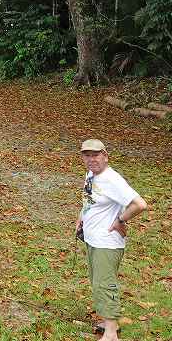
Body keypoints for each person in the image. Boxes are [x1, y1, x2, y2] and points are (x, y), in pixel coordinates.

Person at [75, 139, 148, 341]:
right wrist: (82, 216)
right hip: (93, 238)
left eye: (95, 155)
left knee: (106, 285)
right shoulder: (91, 174)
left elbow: (140, 204)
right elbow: (89, 197)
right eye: (87, 156)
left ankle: (111, 335)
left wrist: (120, 220)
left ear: (105, 156)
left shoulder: (112, 179)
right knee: (98, 283)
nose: (91, 160)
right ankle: (108, 322)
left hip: (107, 242)